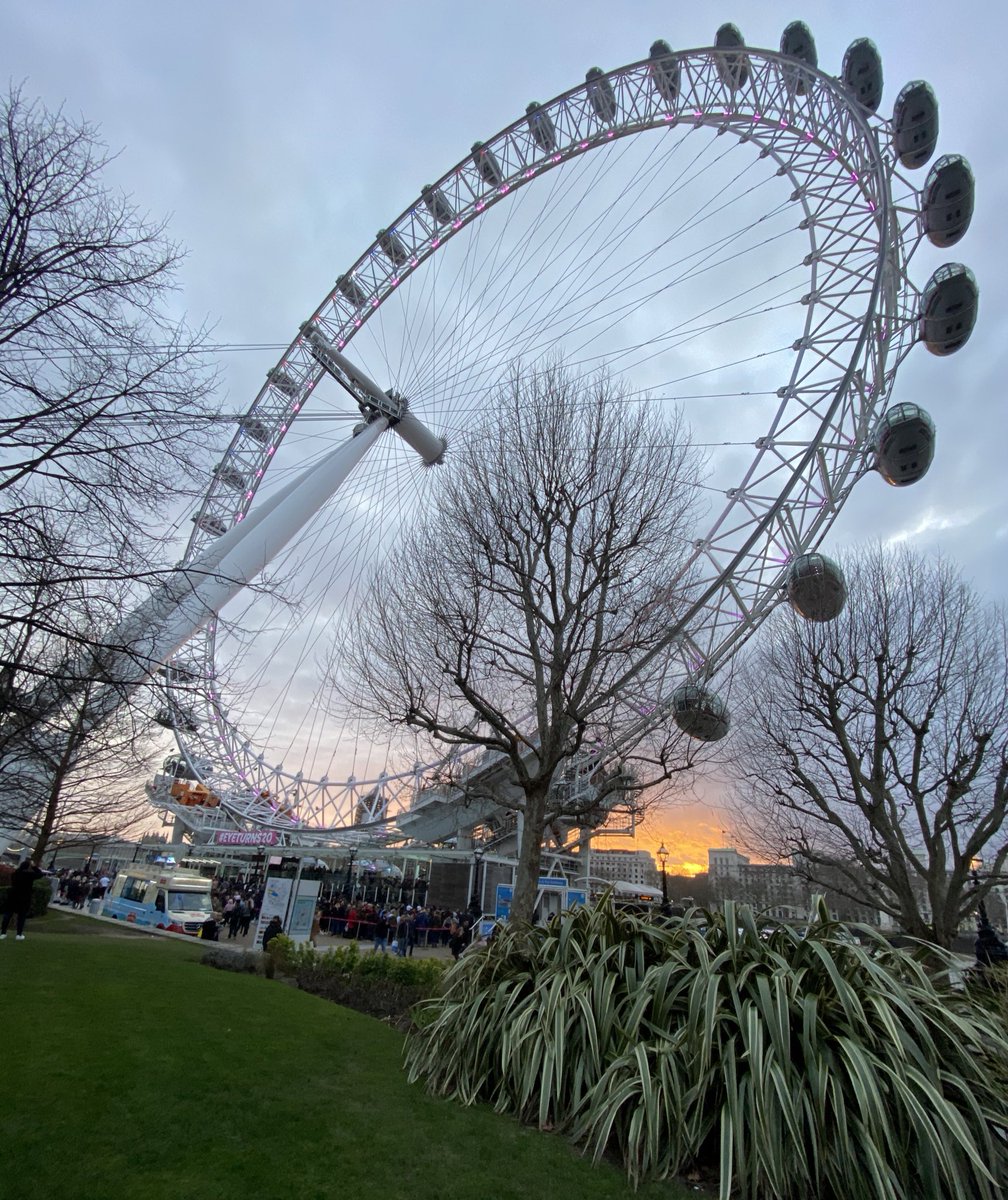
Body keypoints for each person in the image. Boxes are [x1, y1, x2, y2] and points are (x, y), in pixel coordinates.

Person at [1, 859, 44, 940]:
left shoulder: (15, 874)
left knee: (7, 915)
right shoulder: (29, 875)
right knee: (21, 916)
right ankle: (19, 934)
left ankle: (3, 933)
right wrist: (34, 867)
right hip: (24, 898)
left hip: (13, 896)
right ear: (28, 867)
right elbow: (40, 874)